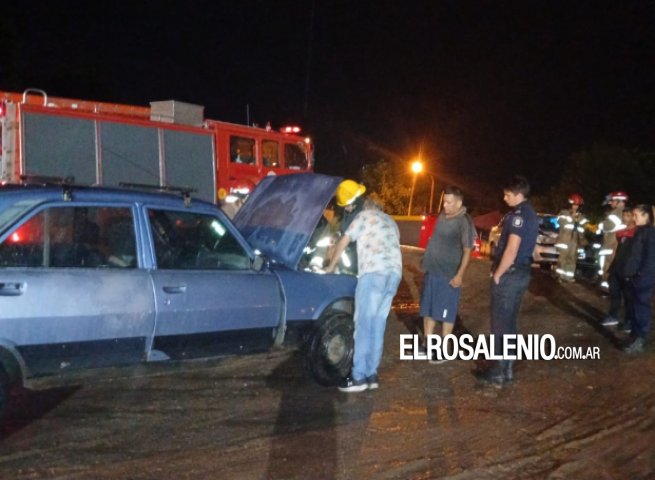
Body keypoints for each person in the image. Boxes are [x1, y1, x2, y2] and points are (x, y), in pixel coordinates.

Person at [325, 180, 402, 392]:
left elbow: (344, 241)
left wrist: (331, 266)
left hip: (373, 275)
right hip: (394, 275)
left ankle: (358, 377)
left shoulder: (363, 216)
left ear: (366, 206)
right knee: (378, 325)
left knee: (363, 325)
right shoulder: (390, 220)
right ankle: (372, 374)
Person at [476, 175, 539, 386]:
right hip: (521, 272)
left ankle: (498, 370)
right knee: (510, 322)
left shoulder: (517, 216)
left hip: (510, 274)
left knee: (500, 323)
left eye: (507, 194)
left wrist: (498, 274)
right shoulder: (531, 214)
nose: (504, 198)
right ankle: (507, 368)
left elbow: (512, 249)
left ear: (518, 194)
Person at [419, 186, 475, 362]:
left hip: (448, 275)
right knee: (428, 310)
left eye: (449, 202)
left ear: (459, 203)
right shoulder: (442, 216)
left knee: (445, 314)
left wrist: (459, 275)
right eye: (444, 201)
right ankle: (428, 345)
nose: (445, 205)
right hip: (432, 271)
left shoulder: (464, 221)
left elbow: (468, 250)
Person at [621, 204, 655, 354]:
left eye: (636, 215)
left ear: (646, 216)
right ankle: (634, 336)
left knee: (641, 307)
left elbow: (650, 258)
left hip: (643, 278)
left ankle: (639, 338)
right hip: (635, 277)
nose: (633, 218)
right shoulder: (639, 232)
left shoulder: (649, 233)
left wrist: (641, 274)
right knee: (634, 307)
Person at [601, 209, 636, 328]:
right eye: (624, 215)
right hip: (617, 267)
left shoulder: (637, 233)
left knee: (628, 297)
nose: (624, 218)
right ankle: (613, 316)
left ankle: (629, 321)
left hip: (629, 270)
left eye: (628, 215)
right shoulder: (621, 232)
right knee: (614, 293)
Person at [554, 193, 589, 282]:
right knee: (562, 259)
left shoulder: (581, 216)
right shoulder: (564, 213)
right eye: (574, 204)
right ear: (570, 204)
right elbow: (559, 221)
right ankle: (559, 276)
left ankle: (568, 276)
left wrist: (582, 229)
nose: (575, 207)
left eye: (577, 205)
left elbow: (584, 228)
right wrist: (572, 219)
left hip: (575, 241)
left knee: (572, 259)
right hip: (564, 241)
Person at [597, 191, 628, 288]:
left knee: (608, 265)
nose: (611, 203)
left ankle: (607, 286)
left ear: (619, 201)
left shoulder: (615, 213)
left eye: (613, 201)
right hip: (619, 245)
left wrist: (601, 225)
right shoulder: (626, 212)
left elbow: (608, 226)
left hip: (611, 244)